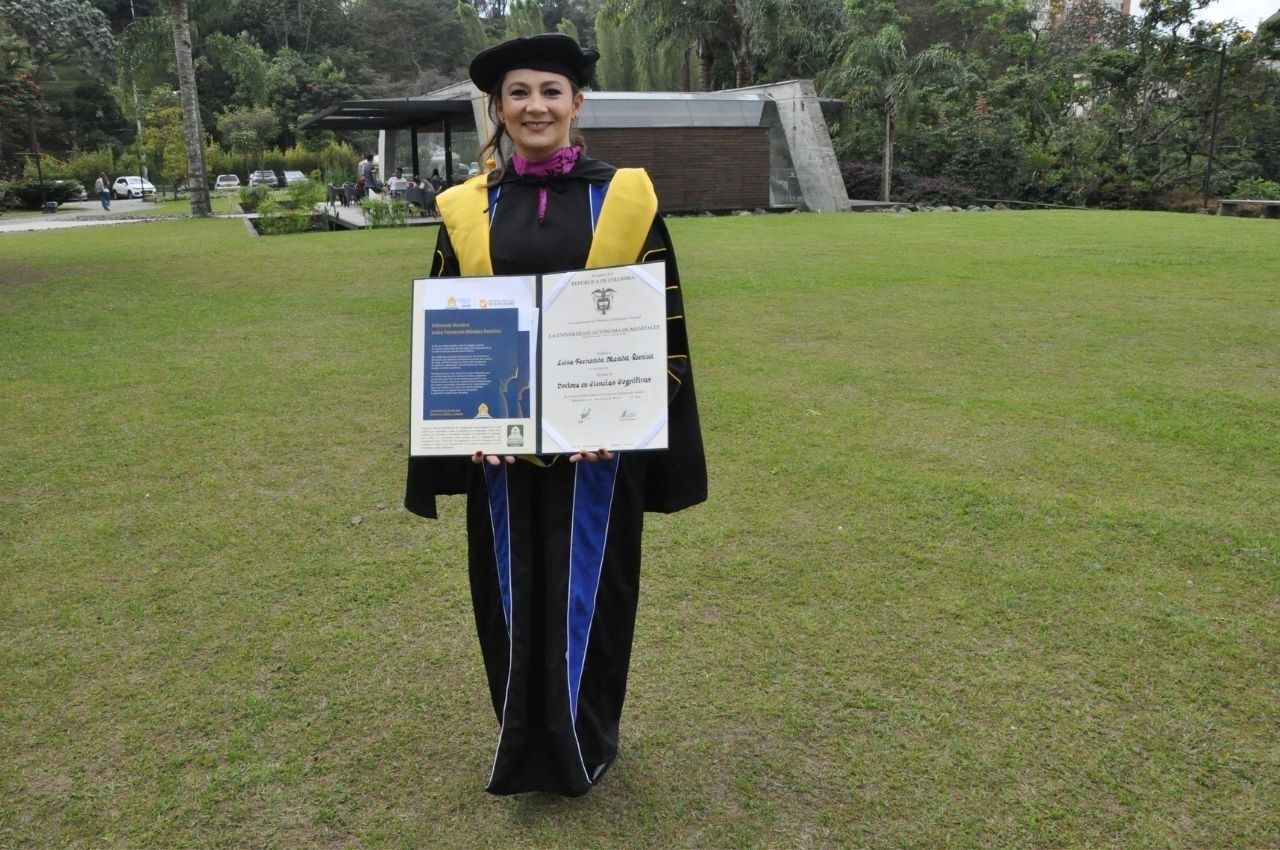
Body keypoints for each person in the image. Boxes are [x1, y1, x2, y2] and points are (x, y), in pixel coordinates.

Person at [404, 32, 706, 798]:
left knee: (592, 595)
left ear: (576, 102)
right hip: (500, 452)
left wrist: (627, 416)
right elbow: (454, 327)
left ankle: (585, 743)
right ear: (498, 110)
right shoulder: (467, 209)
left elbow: (661, 323)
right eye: (518, 93)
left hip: (596, 453)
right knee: (507, 591)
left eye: (550, 91)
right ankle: (518, 743)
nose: (535, 106)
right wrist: (466, 431)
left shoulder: (627, 199)